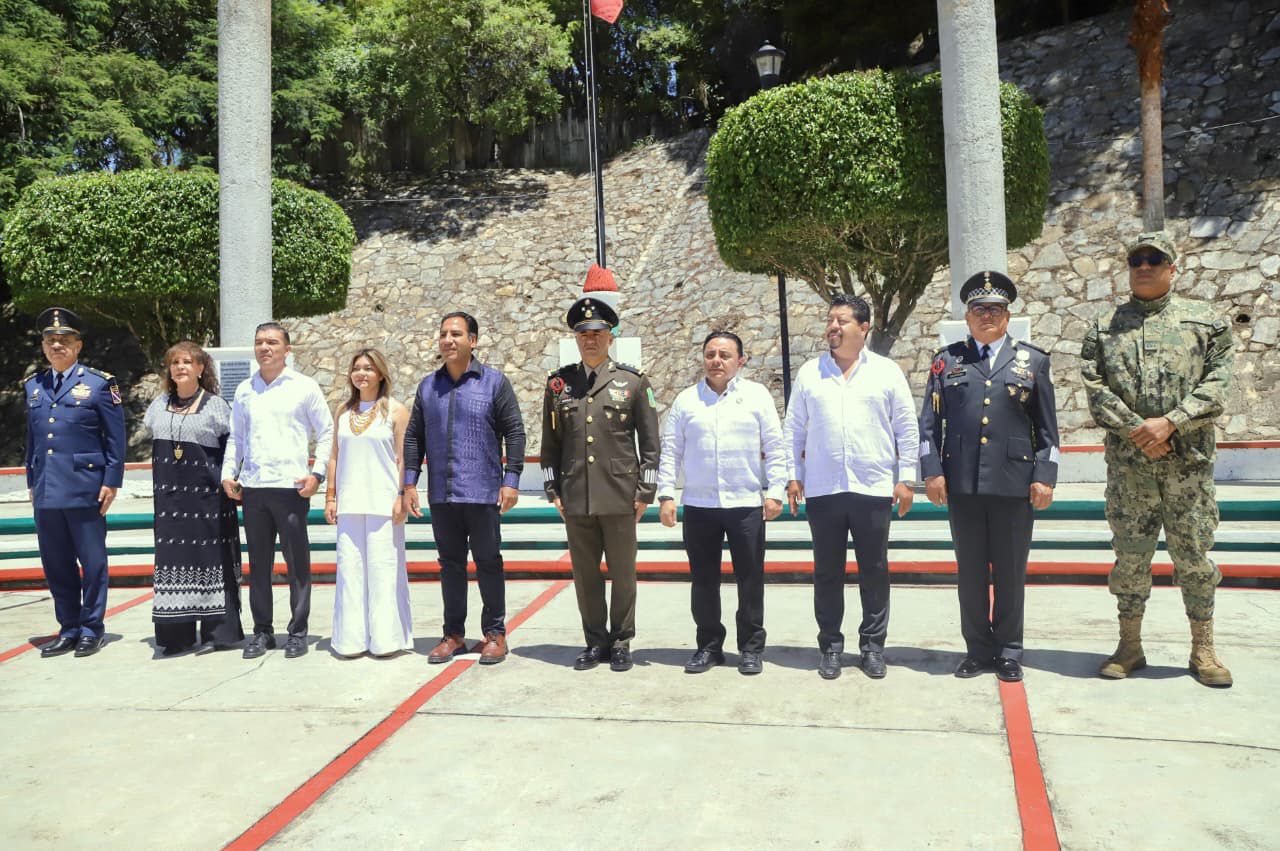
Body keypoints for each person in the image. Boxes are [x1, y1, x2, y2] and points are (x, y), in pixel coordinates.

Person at [1082, 231, 1236, 687]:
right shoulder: (1104, 326)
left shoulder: (1206, 322)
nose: (1144, 266)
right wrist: (1139, 430)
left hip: (1188, 467)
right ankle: (1129, 645)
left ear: (1172, 268)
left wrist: (1170, 423)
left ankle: (1203, 648)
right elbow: (1095, 387)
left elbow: (1218, 384)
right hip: (1130, 469)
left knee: (1195, 558)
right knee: (1130, 558)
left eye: (1154, 259)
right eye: (1137, 261)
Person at [918, 272, 1059, 683]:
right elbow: (929, 425)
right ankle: (978, 650)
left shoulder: (1033, 361)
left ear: (1007, 316)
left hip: (1014, 484)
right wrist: (932, 472)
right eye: (979, 309)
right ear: (967, 316)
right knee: (971, 572)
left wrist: (1045, 476)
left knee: (1011, 571)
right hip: (962, 483)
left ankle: (1010, 650)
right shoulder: (947, 361)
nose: (987, 316)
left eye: (995, 309)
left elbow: (1048, 430)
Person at [783, 293, 918, 681]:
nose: (833, 326)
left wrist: (906, 478)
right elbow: (794, 430)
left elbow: (906, 427)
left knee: (874, 570)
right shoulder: (810, 373)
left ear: (864, 328)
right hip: (823, 489)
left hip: (871, 487)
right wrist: (793, 475)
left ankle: (873, 646)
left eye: (841, 321)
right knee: (827, 572)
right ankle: (830, 646)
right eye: (830, 320)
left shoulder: (886, 372)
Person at [541, 295, 660, 672]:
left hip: (620, 494)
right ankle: (595, 641)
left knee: (623, 574)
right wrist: (552, 489)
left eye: (597, 333)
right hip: (576, 495)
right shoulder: (559, 385)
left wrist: (645, 491)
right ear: (576, 339)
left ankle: (622, 640)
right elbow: (549, 445)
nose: (590, 340)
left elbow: (651, 444)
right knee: (585, 575)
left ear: (610, 337)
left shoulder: (633, 382)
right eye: (583, 334)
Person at [656, 331, 786, 676]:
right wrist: (666, 494)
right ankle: (709, 646)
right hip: (700, 506)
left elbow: (775, 446)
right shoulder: (687, 401)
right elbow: (671, 451)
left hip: (745, 504)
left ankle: (751, 648)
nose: (716, 360)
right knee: (703, 581)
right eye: (710, 354)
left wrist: (776, 491)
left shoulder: (756, 396)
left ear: (740, 361)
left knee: (750, 579)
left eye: (725, 355)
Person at [402, 313, 525, 665]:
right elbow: (414, 437)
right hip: (443, 494)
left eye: (456, 334)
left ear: (473, 340)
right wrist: (410, 482)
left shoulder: (494, 383)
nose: (447, 340)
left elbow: (515, 432)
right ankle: (453, 635)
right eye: (443, 334)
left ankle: (495, 634)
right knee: (450, 566)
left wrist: (511, 480)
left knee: (488, 562)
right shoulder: (428, 386)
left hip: (483, 492)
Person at [221, 321, 333, 660]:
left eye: (272, 342)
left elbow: (326, 432)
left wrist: (317, 475)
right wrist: (228, 473)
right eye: (259, 342)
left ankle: (298, 632)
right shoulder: (245, 389)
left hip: (291, 489)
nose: (265, 348)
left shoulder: (304, 386)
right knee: (259, 565)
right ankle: (262, 631)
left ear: (287, 349)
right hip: (254, 489)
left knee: (297, 564)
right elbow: (237, 437)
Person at [23, 307, 126, 658]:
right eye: (50, 341)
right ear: (43, 346)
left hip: (86, 487)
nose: (57, 346)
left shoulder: (99, 384)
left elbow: (115, 438)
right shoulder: (33, 386)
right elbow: (33, 441)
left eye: (64, 340)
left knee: (93, 562)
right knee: (56, 564)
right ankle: (68, 627)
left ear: (78, 345)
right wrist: (32, 481)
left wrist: (112, 481)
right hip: (47, 489)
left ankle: (91, 628)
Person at [142, 341, 244, 654]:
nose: (180, 367)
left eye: (187, 362)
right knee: (173, 560)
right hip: (169, 503)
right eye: (175, 363)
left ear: (201, 368)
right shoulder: (158, 406)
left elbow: (233, 451)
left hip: (209, 501)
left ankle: (218, 634)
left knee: (212, 559)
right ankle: (176, 636)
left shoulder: (217, 406)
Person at [324, 349, 413, 658]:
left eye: (368, 368)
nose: (361, 374)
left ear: (380, 374)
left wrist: (402, 495)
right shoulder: (343, 411)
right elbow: (334, 456)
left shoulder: (396, 411)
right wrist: (330, 496)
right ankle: (351, 641)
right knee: (350, 571)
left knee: (383, 571)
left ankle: (386, 640)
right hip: (349, 502)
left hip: (384, 503)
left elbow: (403, 458)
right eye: (357, 368)